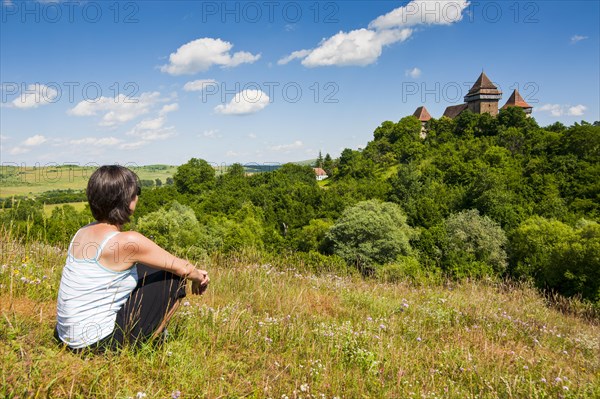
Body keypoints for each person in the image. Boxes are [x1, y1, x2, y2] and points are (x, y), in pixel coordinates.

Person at [55, 165, 209, 351]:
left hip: (64, 336)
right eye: (136, 192)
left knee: (150, 268)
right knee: (174, 278)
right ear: (126, 200)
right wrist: (200, 278)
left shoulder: (82, 232)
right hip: (96, 343)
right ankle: (146, 345)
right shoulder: (128, 241)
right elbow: (182, 268)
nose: (137, 196)